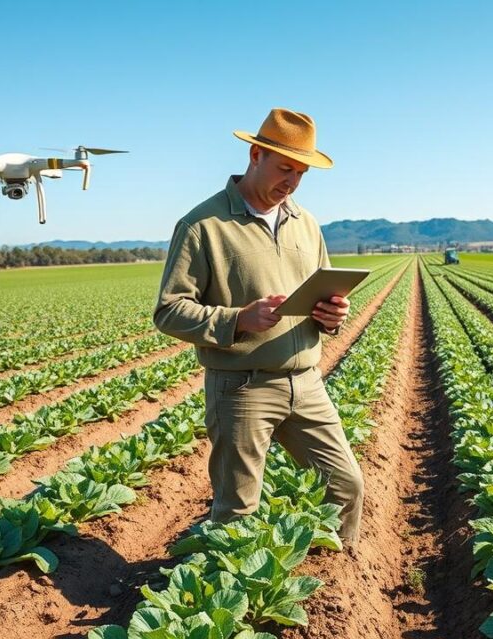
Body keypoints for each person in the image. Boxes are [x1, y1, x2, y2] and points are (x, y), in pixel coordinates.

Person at [153, 108, 364, 550]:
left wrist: (332, 316)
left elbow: (323, 290)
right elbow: (169, 311)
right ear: (255, 155)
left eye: (301, 173)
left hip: (307, 382)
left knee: (346, 487)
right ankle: (226, 604)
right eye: (285, 168)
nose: (292, 182)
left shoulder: (305, 222)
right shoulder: (202, 225)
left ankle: (330, 590)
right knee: (236, 512)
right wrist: (236, 320)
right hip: (243, 388)